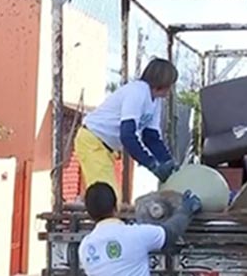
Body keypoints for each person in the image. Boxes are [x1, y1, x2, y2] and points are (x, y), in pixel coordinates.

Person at [75, 58, 179, 202]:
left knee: (110, 198)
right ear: (163, 83)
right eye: (170, 85)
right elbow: (127, 136)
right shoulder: (137, 91)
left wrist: (167, 162)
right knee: (107, 198)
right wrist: (152, 164)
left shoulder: (155, 101)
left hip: (106, 147)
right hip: (93, 140)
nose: (171, 90)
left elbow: (151, 137)